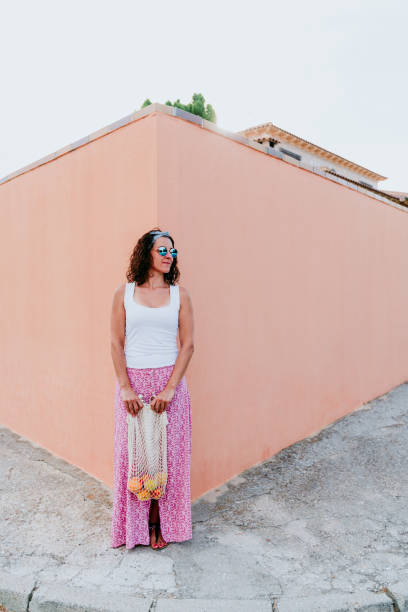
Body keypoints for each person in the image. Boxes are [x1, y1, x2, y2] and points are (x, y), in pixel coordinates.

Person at [110, 228, 194, 550]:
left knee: (168, 459)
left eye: (171, 251)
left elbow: (187, 346)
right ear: (146, 253)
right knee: (133, 457)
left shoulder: (180, 295)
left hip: (169, 385)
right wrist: (125, 388)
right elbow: (116, 343)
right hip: (133, 384)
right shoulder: (124, 293)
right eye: (161, 250)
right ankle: (136, 526)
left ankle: (160, 524)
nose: (168, 255)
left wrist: (171, 388)